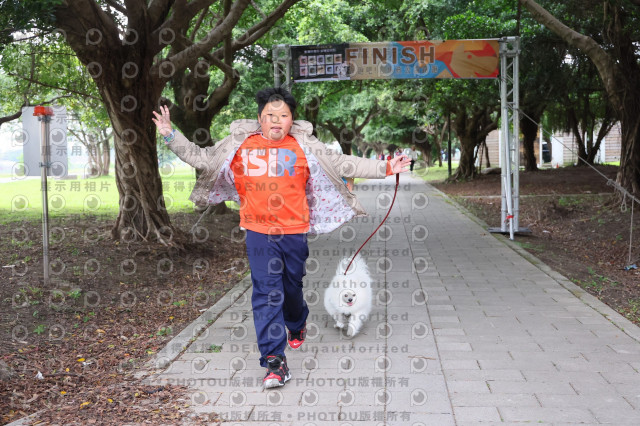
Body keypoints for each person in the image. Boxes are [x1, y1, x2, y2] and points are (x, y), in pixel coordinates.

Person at [152, 87, 411, 389]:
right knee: (266, 293)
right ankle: (274, 361)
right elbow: (201, 158)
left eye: (284, 115)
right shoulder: (239, 144)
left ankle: (297, 321)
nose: (276, 121)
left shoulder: (305, 145)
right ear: (259, 118)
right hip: (258, 232)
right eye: (270, 115)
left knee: (291, 287)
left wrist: (386, 167)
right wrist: (170, 134)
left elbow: (343, 163)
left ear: (292, 120)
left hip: (294, 231)